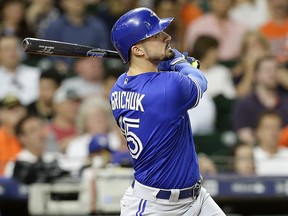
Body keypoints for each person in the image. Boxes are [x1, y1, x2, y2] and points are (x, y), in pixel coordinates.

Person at [110, 7, 225, 216]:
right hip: (156, 208)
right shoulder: (168, 87)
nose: (167, 37)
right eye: (156, 35)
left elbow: (149, 80)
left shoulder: (118, 87)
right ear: (137, 50)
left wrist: (165, 63)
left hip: (196, 198)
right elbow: (200, 81)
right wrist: (180, 63)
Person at [232, 55, 288, 145]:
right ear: (255, 75)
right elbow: (244, 135)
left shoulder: (286, 102)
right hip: (257, 154)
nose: (272, 73)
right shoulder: (244, 104)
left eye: (275, 69)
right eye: (267, 70)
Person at [0, 94, 26, 175]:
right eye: (10, 109)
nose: (15, 113)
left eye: (18, 109)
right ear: (1, 113)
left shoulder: (30, 136)